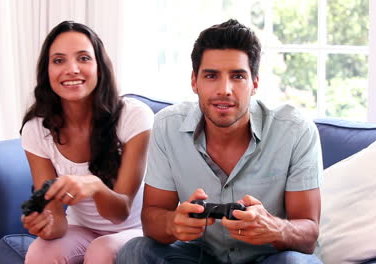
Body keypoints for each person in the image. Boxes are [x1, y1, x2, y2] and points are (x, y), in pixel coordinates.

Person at [116, 19, 323, 264]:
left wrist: (275, 228)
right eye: (211, 75)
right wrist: (173, 224)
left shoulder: (296, 130)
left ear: (254, 83)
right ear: (194, 81)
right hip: (200, 255)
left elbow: (309, 235)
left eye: (237, 76)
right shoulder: (167, 125)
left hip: (269, 258)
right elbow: (152, 219)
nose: (224, 89)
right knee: (136, 251)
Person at [20, 21, 154, 264]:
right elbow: (57, 222)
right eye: (59, 60)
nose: (71, 69)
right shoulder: (36, 130)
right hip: (81, 228)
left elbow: (119, 213)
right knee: (40, 252)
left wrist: (94, 185)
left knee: (102, 250)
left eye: (83, 58)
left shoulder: (134, 117)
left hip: (137, 228)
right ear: (47, 72)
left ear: (99, 68)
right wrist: (45, 224)